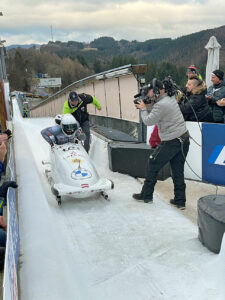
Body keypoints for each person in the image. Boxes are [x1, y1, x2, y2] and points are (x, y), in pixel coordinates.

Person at [133, 79, 190, 209]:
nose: (148, 95)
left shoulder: (161, 104)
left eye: (150, 92)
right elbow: (157, 110)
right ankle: (180, 201)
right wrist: (147, 105)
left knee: (153, 163)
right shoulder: (168, 99)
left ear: (159, 90)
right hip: (184, 139)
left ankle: (146, 195)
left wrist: (143, 109)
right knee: (177, 171)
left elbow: (148, 120)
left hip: (172, 141)